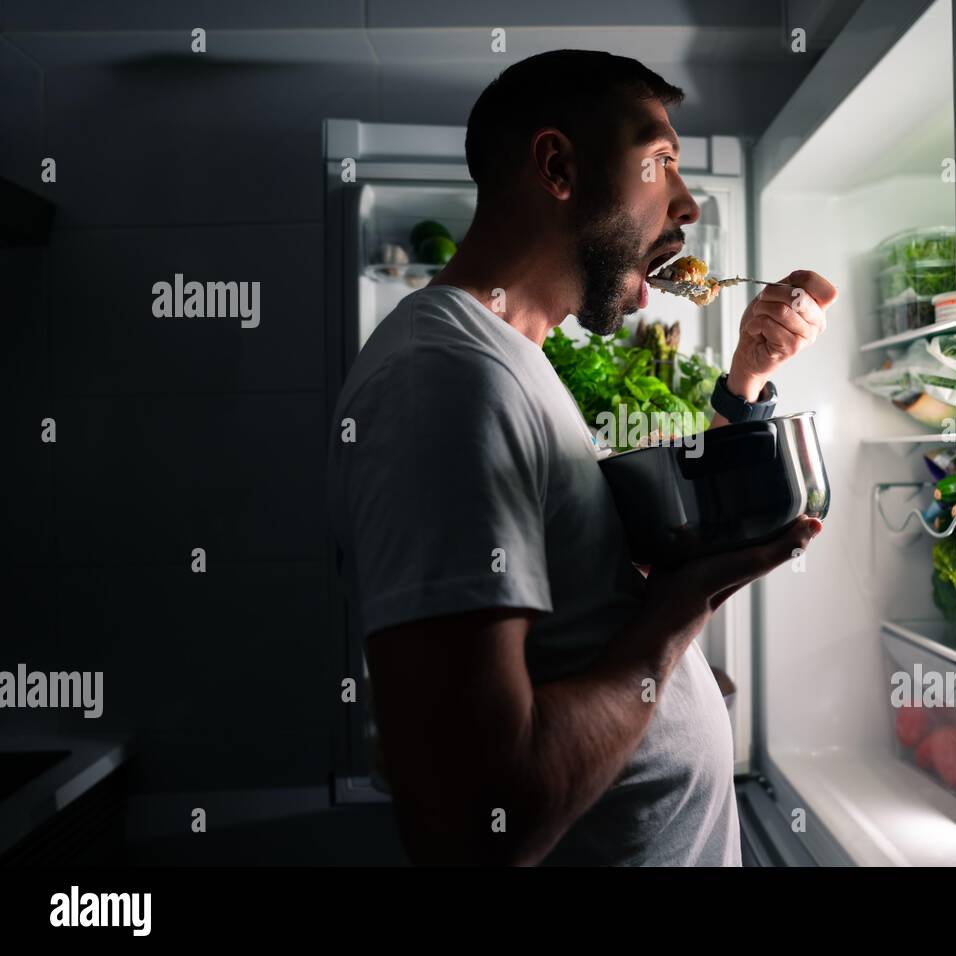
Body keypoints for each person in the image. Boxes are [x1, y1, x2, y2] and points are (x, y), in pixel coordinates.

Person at [327, 49, 836, 866]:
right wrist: (682, 612)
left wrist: (745, 382)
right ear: (559, 166)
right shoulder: (444, 381)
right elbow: (471, 826)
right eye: (661, 161)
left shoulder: (514, 360)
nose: (690, 204)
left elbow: (586, 599)